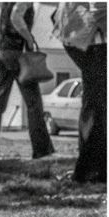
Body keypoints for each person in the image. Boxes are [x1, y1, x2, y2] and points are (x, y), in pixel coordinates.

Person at [0, 2, 55, 159]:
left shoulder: (4, 4)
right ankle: (42, 150)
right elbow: (16, 16)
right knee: (34, 104)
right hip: (17, 55)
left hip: (1, 52)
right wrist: (28, 39)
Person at [53, 2, 107, 182]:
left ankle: (93, 170)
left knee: (96, 107)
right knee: (96, 107)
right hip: (97, 46)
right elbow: (98, 10)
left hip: (88, 42)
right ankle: (90, 171)